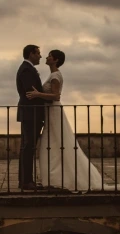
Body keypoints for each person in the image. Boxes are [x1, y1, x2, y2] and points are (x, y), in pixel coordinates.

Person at [27, 49, 105, 192]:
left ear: (55, 60)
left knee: (55, 144)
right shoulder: (53, 74)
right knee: (52, 145)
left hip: (54, 112)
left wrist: (38, 94)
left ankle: (56, 179)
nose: (46, 57)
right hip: (50, 112)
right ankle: (54, 178)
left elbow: (56, 96)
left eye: (50, 56)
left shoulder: (55, 75)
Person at [16, 45, 47, 190]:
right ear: (31, 54)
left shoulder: (27, 68)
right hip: (31, 113)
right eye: (38, 53)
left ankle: (25, 180)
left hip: (30, 113)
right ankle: (26, 181)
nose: (40, 56)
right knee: (28, 147)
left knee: (27, 146)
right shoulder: (27, 69)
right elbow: (31, 93)